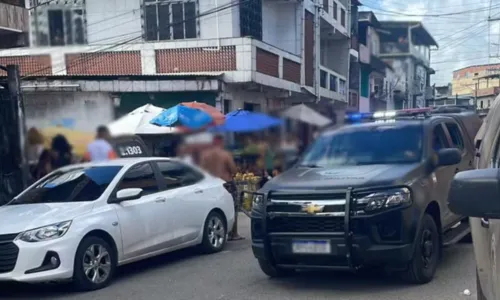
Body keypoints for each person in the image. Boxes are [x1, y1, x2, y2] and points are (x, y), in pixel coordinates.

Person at [199, 134, 243, 241]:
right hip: (226, 184)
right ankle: (233, 233)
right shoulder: (225, 154)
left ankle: (216, 229)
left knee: (213, 209)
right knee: (233, 207)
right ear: (220, 142)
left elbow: (201, 171)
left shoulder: (204, 156)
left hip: (211, 185)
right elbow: (233, 170)